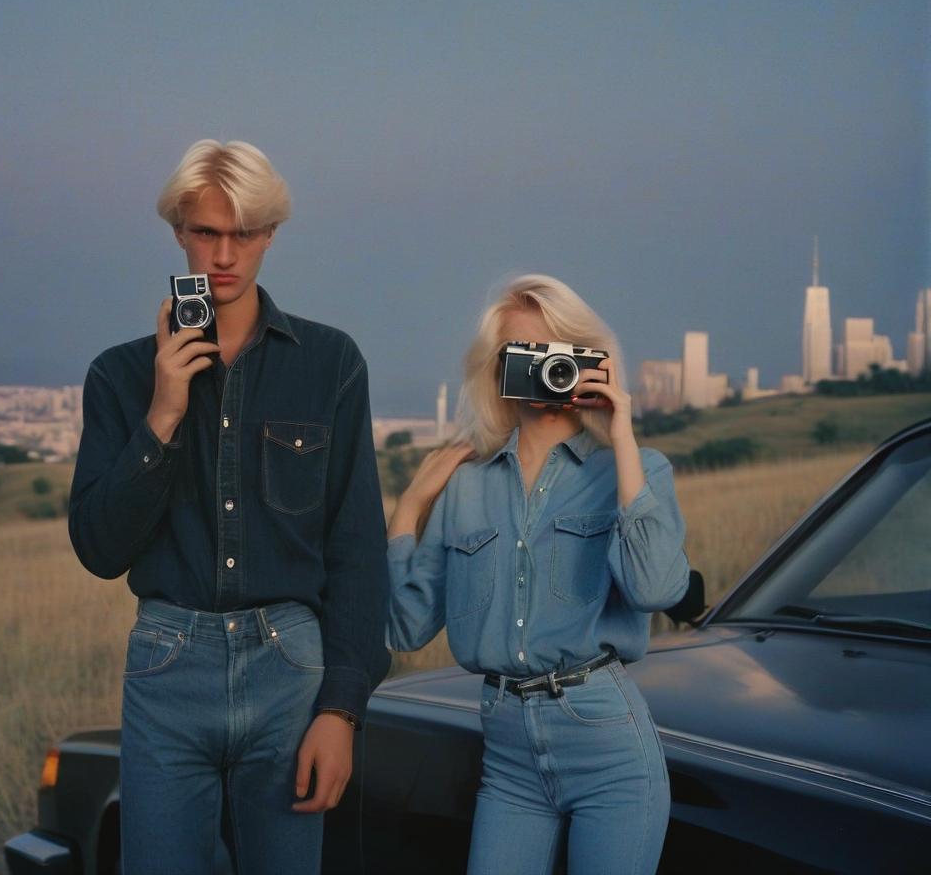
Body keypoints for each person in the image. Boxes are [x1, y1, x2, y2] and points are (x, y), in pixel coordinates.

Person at [69, 139, 390, 875]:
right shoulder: (119, 377)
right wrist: (163, 413)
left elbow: (357, 547)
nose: (224, 255)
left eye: (243, 233)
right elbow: (98, 548)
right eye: (207, 232)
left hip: (289, 670)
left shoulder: (331, 363)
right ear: (179, 231)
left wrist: (341, 710)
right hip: (167, 667)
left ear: (271, 233)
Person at [386, 274, 689, 875]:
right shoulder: (466, 485)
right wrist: (408, 510)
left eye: (559, 350)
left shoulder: (635, 470)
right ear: (497, 370)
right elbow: (406, 626)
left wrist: (622, 436)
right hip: (507, 757)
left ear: (587, 358)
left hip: (608, 746)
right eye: (525, 354)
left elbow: (655, 589)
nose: (546, 366)